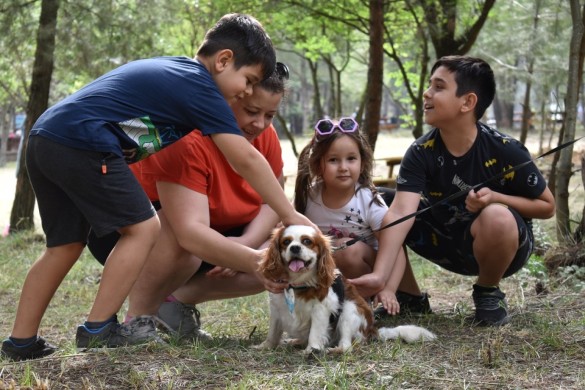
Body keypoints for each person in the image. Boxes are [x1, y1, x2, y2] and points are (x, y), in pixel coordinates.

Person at [1, 14, 313, 361]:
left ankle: (21, 341)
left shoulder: (179, 77)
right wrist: (291, 214)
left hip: (47, 137)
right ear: (223, 60)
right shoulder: (200, 85)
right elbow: (246, 160)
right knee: (145, 227)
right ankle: (98, 328)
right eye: (248, 80)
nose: (246, 90)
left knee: (63, 246)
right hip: (82, 141)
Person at [87, 63, 291, 339]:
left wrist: (245, 245)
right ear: (228, 98)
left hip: (212, 235)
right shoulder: (187, 138)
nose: (260, 124)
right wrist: (252, 260)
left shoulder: (264, 136)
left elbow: (273, 200)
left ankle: (173, 304)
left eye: (270, 115)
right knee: (186, 238)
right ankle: (138, 318)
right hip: (134, 238)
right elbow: (189, 232)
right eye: (252, 112)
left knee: (283, 252)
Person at [349, 55, 555, 326]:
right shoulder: (421, 152)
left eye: (438, 87)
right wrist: (380, 275)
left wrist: (496, 198)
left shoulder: (505, 149)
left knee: (497, 215)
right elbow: (401, 213)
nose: (427, 93)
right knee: (378, 201)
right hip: (443, 242)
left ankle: (488, 292)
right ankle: (410, 297)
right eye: (429, 85)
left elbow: (547, 206)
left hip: (502, 246)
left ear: (468, 102)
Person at [293, 117, 406, 314]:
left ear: (362, 163)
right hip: (324, 274)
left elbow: (396, 249)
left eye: (351, 159)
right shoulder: (309, 197)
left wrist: (389, 289)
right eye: (333, 160)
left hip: (364, 269)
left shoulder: (368, 200)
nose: (343, 167)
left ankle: (360, 303)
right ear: (319, 165)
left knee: (343, 249)